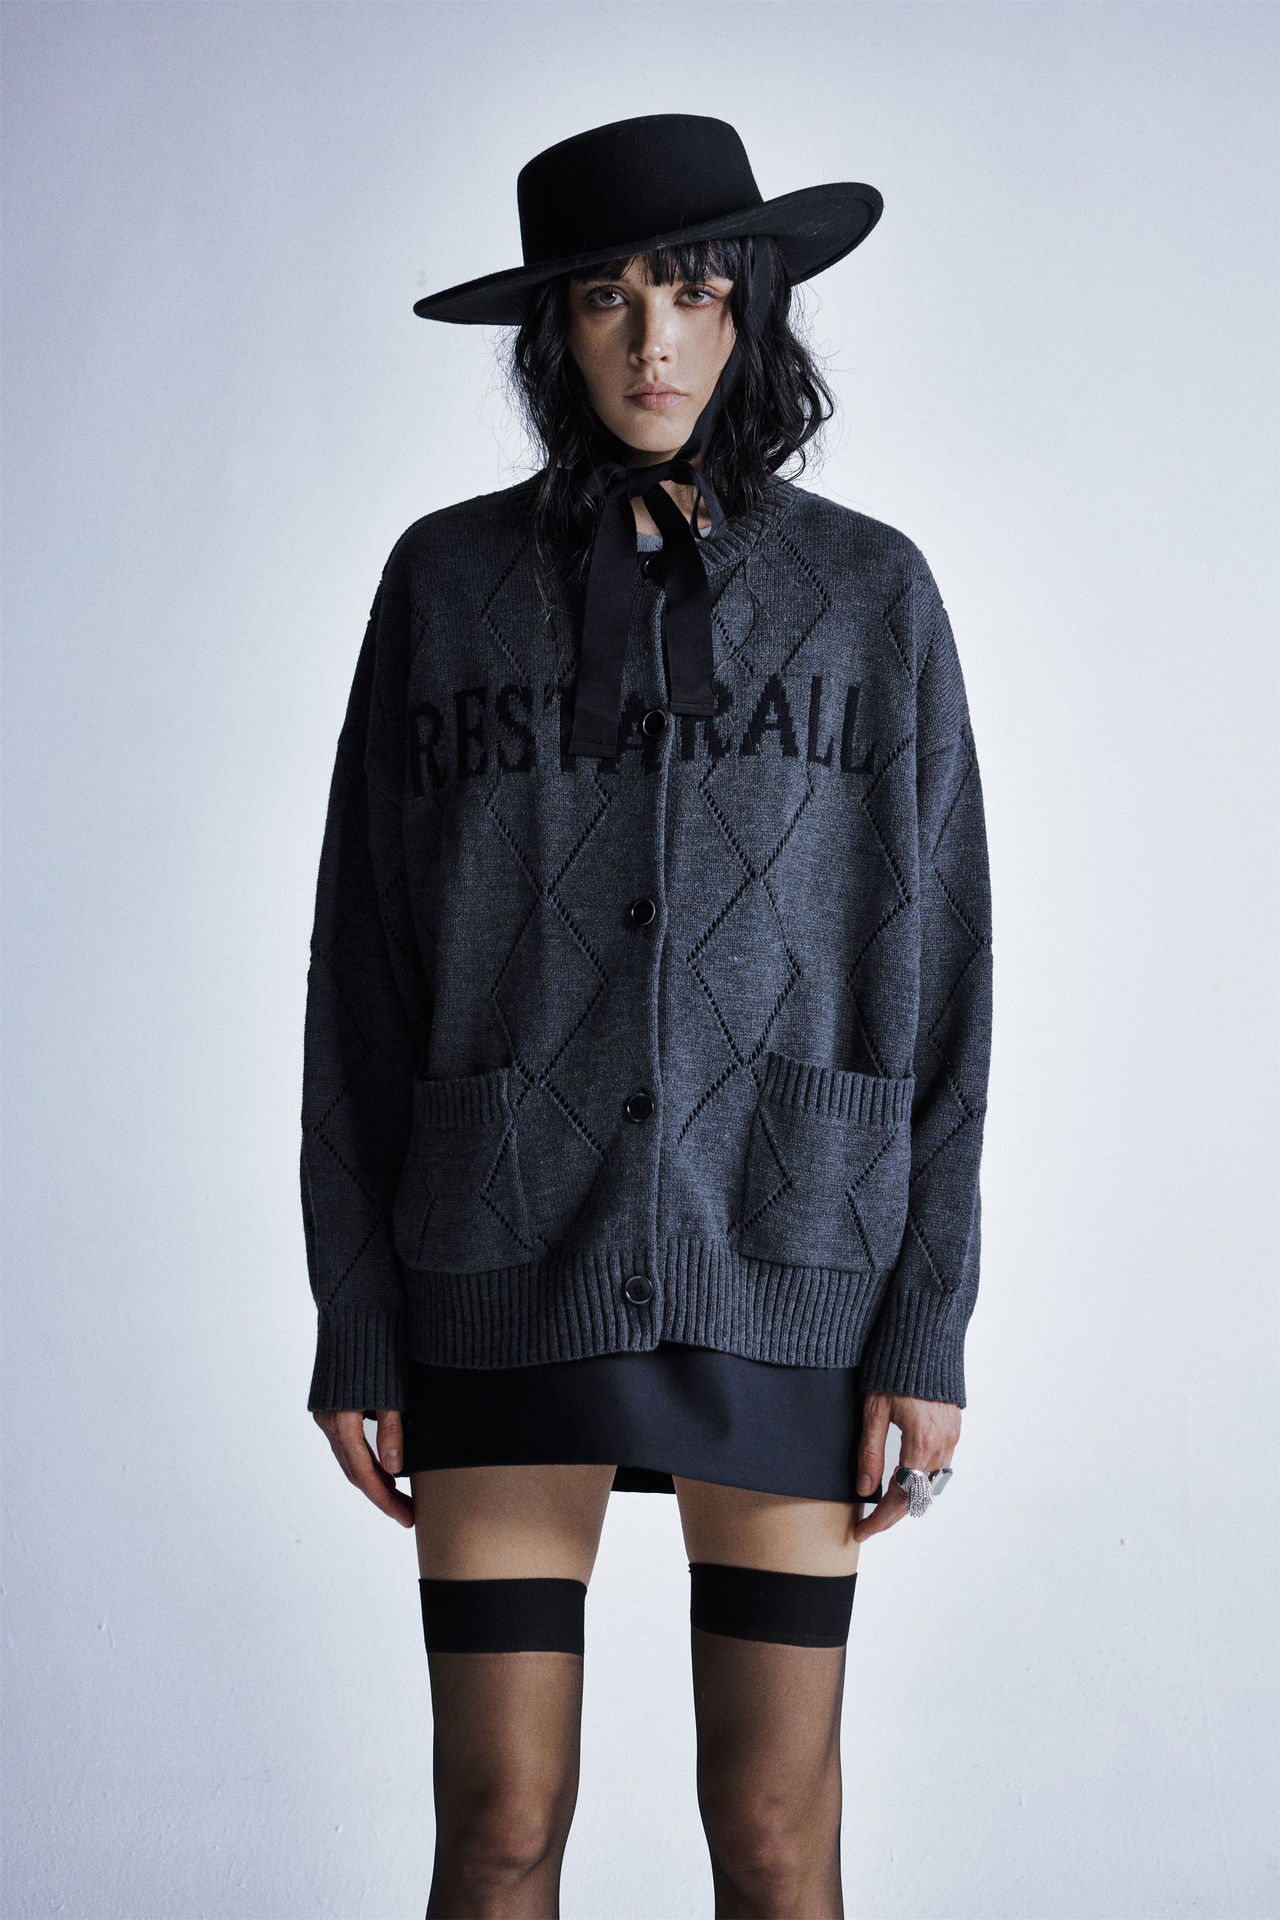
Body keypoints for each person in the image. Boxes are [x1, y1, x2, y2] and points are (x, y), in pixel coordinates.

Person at [300, 114, 993, 1919]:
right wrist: (356, 1317)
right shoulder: (444, 587)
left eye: (692, 292)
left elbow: (948, 974)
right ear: (556, 331)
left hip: (786, 1261)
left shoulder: (872, 596)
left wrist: (927, 1318)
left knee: (771, 1834)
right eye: (605, 300)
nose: (654, 341)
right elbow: (360, 967)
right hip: (499, 1257)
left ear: (752, 306)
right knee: (499, 1826)